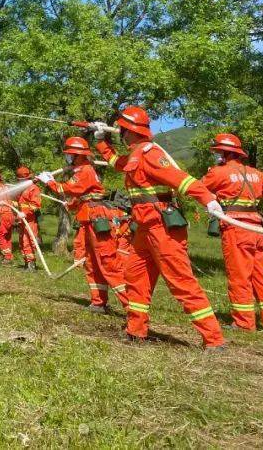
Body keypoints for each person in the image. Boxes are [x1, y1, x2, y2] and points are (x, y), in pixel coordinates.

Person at [86, 107, 226, 351]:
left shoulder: (151, 153)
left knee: (181, 282)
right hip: (143, 228)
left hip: (162, 228)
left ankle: (214, 340)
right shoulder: (135, 155)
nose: (120, 133)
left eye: (122, 130)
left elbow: (180, 179)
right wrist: (100, 141)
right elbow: (117, 163)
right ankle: (135, 330)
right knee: (135, 277)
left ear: (128, 130)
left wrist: (208, 199)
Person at [200, 133, 263, 332]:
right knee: (262, 277)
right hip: (256, 229)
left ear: (224, 153)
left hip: (236, 228)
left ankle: (243, 323)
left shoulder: (218, 172)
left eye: (218, 152)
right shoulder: (257, 174)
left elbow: (196, 189)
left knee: (239, 276)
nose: (216, 156)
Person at [39, 137, 128, 312]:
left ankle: (132, 308)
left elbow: (68, 189)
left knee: (107, 262)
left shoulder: (85, 170)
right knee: (92, 262)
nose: (68, 158)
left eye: (69, 155)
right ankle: (98, 302)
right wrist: (71, 204)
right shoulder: (82, 170)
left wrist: (49, 181)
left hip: (97, 218)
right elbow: (84, 195)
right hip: (89, 217)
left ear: (77, 155)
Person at [14, 166, 42, 271]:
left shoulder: (34, 188)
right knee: (22, 241)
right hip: (21, 219)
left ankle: (31, 265)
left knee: (28, 241)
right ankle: (26, 264)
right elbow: (18, 203)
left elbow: (36, 205)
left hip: (29, 219)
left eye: (21, 180)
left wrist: (25, 213)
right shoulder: (21, 189)